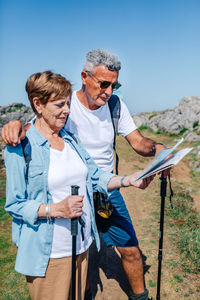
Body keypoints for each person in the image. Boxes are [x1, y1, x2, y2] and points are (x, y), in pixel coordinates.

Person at [1, 50, 168, 300]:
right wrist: (13, 127)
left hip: (104, 189)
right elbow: (36, 129)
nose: (109, 91)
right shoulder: (61, 112)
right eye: (104, 84)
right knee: (81, 265)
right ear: (85, 76)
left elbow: (134, 143)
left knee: (128, 249)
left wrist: (154, 152)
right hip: (69, 201)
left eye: (115, 85)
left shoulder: (111, 108)